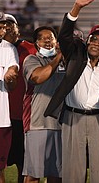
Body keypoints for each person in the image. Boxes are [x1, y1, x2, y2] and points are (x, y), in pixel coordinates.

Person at [44, 0, 99, 183]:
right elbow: (63, 36)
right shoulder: (75, 55)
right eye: (93, 39)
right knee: (72, 172)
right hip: (72, 117)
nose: (96, 43)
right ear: (87, 41)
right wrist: (76, 7)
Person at [22, 26, 64, 183]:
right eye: (43, 38)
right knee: (34, 174)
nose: (48, 40)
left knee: (57, 174)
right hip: (38, 123)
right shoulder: (32, 60)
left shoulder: (64, 61)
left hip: (61, 124)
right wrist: (58, 57)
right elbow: (38, 77)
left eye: (51, 37)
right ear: (36, 43)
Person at [3, 13, 36, 183]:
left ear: (18, 28)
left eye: (10, 24)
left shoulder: (31, 49)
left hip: (24, 117)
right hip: (2, 117)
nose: (7, 28)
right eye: (3, 25)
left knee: (25, 164)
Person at [0, 11, 19, 183]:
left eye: (3, 27)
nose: (2, 30)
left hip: (1, 118)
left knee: (0, 171)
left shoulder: (8, 49)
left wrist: (10, 75)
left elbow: (12, 82)